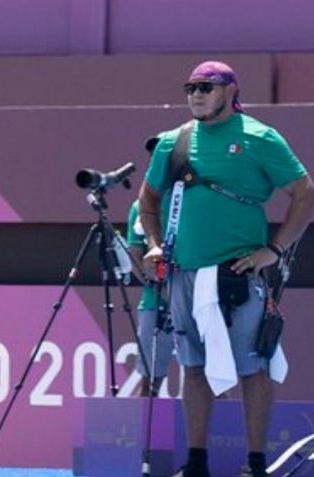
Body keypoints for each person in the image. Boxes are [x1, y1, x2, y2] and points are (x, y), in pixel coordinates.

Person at [138, 61, 314, 477]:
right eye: (190, 87)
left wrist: (273, 249)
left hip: (238, 275)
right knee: (193, 366)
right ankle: (196, 462)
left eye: (206, 86)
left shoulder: (259, 137)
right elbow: (148, 200)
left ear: (231, 92)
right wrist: (155, 245)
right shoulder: (172, 142)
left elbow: (304, 192)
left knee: (253, 367)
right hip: (184, 274)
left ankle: (255, 464)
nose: (196, 94)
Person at [127, 136, 176, 397]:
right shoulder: (140, 206)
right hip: (155, 303)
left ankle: (221, 438)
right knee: (150, 380)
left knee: (210, 378)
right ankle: (141, 438)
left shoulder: (193, 198)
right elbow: (136, 253)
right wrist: (156, 284)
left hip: (195, 301)